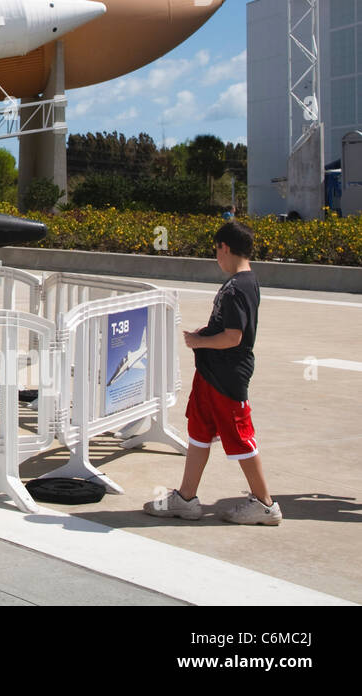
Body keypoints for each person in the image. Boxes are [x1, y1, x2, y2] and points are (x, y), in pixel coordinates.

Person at [144, 220, 282, 525]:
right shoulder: (245, 282)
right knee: (200, 432)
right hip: (211, 374)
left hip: (226, 377)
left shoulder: (237, 288)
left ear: (225, 247)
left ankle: (264, 504)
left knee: (240, 437)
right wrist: (205, 338)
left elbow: (234, 336)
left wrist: (199, 341)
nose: (216, 258)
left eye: (216, 251)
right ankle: (186, 498)